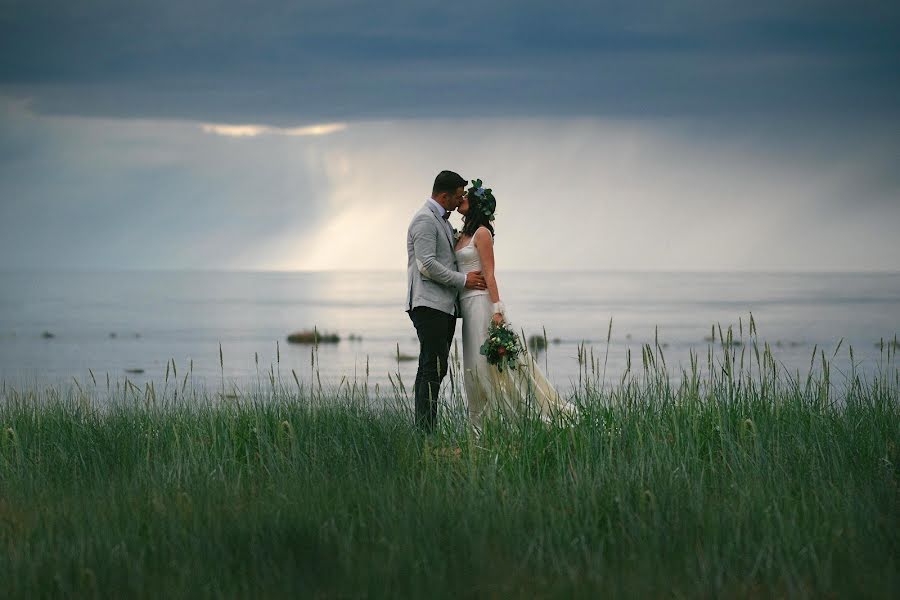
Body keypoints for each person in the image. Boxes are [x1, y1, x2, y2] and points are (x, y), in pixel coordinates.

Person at [454, 179, 573, 429]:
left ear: (475, 204)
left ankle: (498, 421)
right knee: (471, 366)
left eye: (466, 197)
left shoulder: (482, 233)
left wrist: (497, 310)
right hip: (466, 305)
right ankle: (478, 422)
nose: (461, 199)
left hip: (480, 305)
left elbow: (489, 273)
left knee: (484, 365)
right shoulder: (461, 235)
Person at [406, 170, 486, 432]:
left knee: (435, 369)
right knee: (431, 368)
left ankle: (426, 430)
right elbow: (426, 265)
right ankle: (425, 433)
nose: (459, 201)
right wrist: (464, 282)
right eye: (457, 197)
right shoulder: (424, 221)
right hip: (429, 306)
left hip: (443, 307)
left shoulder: (440, 220)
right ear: (444, 195)